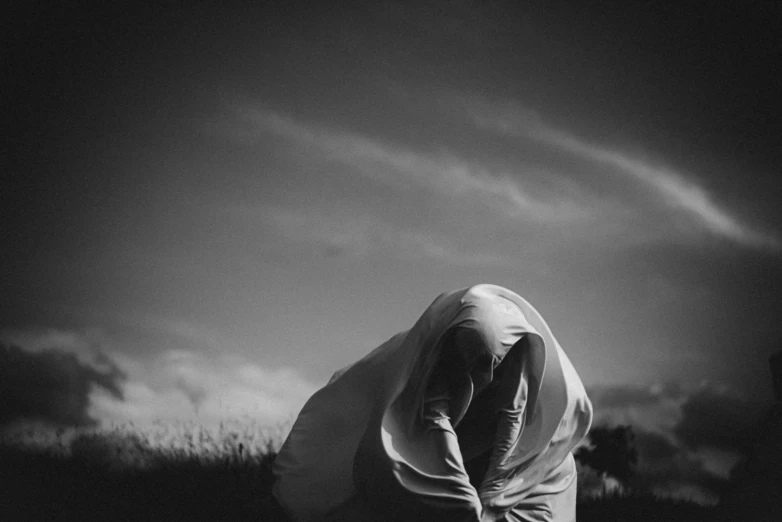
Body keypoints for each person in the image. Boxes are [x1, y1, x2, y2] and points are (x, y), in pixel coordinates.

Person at [273, 284, 593, 522]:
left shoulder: (528, 376)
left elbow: (514, 427)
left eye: (499, 368)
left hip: (523, 479)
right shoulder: (428, 374)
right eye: (478, 367)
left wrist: (494, 497)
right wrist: (460, 494)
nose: (490, 377)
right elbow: (414, 468)